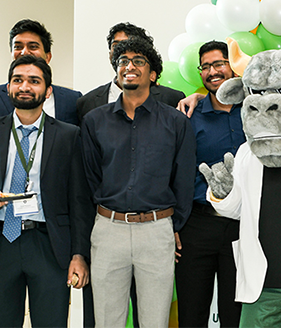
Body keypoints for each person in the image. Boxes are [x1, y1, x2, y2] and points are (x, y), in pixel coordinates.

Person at [80, 37, 196, 327]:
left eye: (138, 61)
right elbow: (91, 176)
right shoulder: (94, 121)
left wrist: (174, 225)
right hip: (108, 231)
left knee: (155, 321)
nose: (129, 67)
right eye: (123, 62)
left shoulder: (176, 122)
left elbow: (184, 178)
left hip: (156, 232)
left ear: (153, 74)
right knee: (107, 320)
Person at [0, 55, 93, 327]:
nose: (25, 86)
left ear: (48, 90)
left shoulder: (69, 135)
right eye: (18, 80)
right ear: (8, 87)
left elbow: (79, 201)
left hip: (49, 245)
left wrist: (79, 255)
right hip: (3, 240)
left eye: (34, 81)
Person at [174, 40, 244, 328]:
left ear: (233, 67)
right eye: (206, 67)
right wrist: (175, 225)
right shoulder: (188, 116)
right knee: (192, 313)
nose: (213, 71)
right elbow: (174, 173)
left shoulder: (254, 110)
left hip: (243, 225)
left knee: (236, 313)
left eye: (220, 64)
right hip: (197, 225)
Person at [76, 22, 185, 122]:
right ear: (110, 55)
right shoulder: (86, 103)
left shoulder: (172, 98)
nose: (122, 50)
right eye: (116, 46)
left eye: (129, 45)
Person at [0, 19, 81, 125]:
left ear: (48, 57)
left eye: (33, 47)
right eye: (18, 47)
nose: (24, 52)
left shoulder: (73, 99)